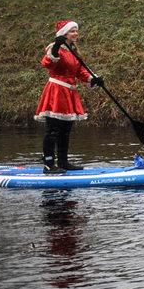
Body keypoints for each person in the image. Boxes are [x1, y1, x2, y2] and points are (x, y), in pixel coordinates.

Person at [36, 19, 97, 174]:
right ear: (64, 33)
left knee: (65, 130)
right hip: (56, 91)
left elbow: (79, 71)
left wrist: (93, 78)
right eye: (72, 31)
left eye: (76, 30)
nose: (75, 33)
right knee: (52, 130)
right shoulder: (55, 49)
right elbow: (47, 63)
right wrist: (56, 46)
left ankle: (63, 162)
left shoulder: (72, 50)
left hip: (69, 92)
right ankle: (48, 165)